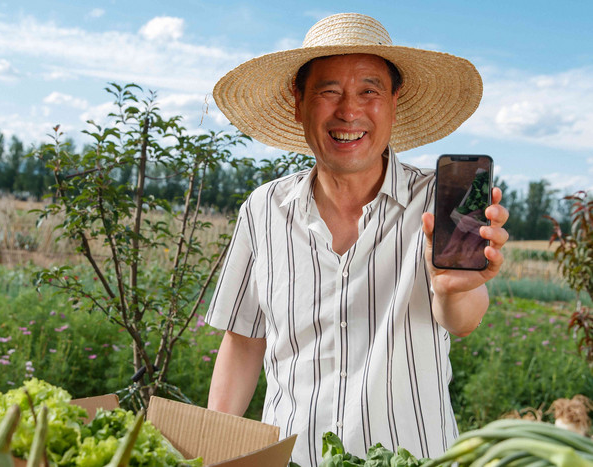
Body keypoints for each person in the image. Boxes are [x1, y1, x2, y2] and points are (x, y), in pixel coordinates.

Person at [204, 13, 509, 467]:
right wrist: (211, 452)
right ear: (298, 101)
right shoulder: (263, 208)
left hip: (414, 458)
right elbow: (245, 340)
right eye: (329, 92)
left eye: (369, 91)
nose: (349, 111)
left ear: (394, 101)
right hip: (291, 458)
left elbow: (463, 319)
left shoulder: (442, 200)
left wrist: (452, 288)